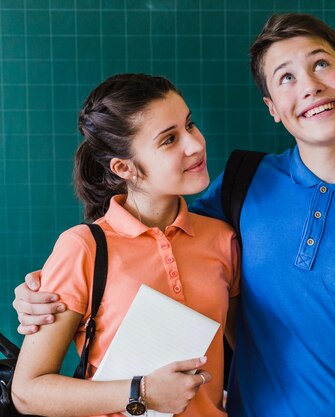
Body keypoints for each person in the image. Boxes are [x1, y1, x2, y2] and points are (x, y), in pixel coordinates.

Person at [11, 13, 335, 417]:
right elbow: (128, 246)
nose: (309, 85)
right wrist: (44, 287)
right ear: (271, 108)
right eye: (285, 77)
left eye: (321, 64)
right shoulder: (241, 186)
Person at [11, 73, 240, 417]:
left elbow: (251, 356)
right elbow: (28, 391)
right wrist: (141, 392)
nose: (195, 144)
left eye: (190, 125)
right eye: (169, 140)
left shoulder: (223, 238)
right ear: (124, 167)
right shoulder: (83, 247)